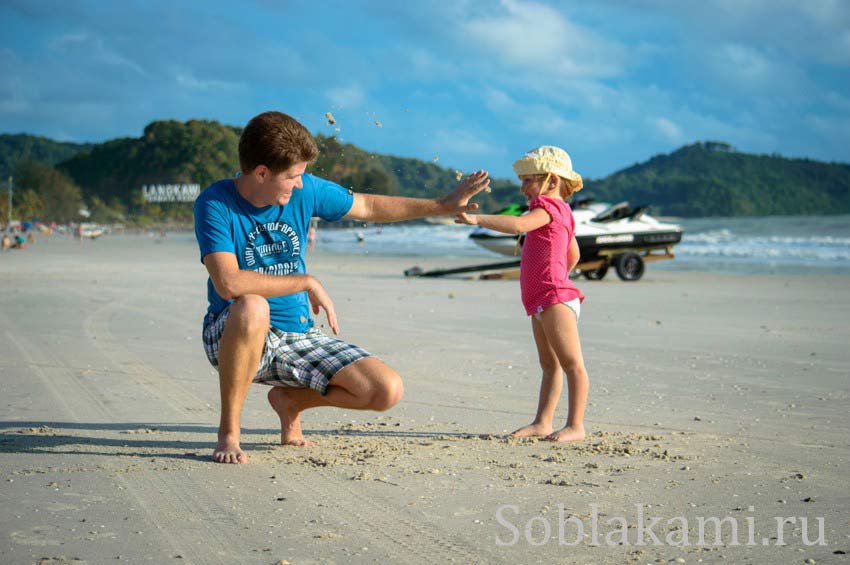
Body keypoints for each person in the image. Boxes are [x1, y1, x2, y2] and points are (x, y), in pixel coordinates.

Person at [194, 110, 490, 463]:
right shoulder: (215, 203)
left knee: (385, 390)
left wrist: (441, 206)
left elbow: (367, 205)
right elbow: (228, 283)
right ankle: (229, 432)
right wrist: (305, 280)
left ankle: (290, 401)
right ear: (261, 173)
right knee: (252, 305)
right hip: (234, 330)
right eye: (292, 176)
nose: (300, 184)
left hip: (296, 334)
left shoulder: (304, 191)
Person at [455, 146, 589, 442]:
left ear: (551, 182)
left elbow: (517, 224)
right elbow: (573, 254)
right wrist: (553, 268)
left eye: (529, 180)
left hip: (554, 298)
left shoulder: (548, 209)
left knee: (571, 364)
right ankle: (543, 422)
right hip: (542, 299)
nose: (522, 187)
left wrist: (478, 220)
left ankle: (576, 425)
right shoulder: (561, 213)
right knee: (549, 365)